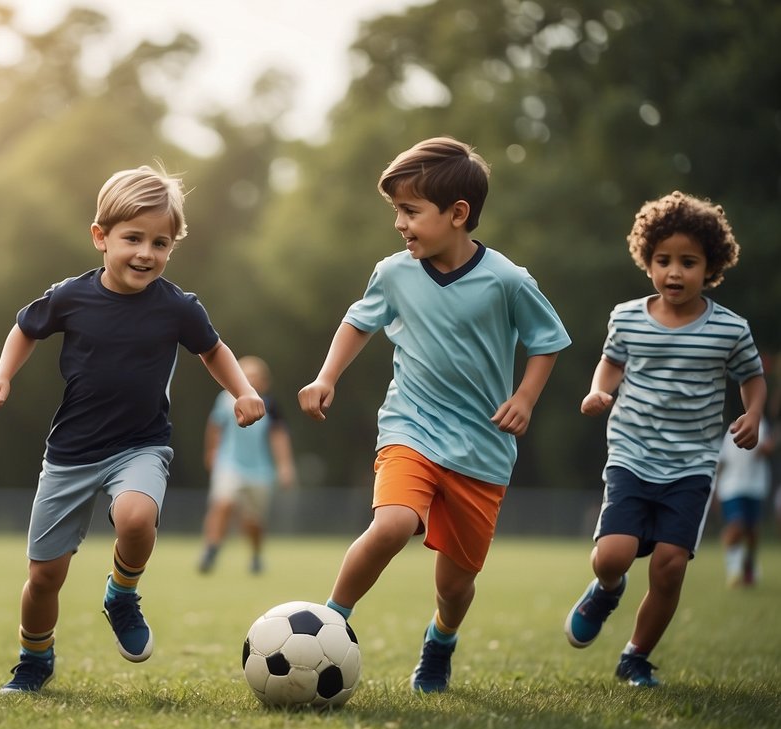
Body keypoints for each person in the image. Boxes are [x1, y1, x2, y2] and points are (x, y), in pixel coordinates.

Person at [0, 164, 265, 695]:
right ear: (100, 237)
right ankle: (34, 659)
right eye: (133, 238)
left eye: (161, 242)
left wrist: (242, 391)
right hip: (70, 453)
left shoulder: (177, 306)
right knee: (44, 578)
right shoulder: (70, 296)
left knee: (136, 517)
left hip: (141, 445)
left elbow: (212, 350)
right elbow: (24, 328)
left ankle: (122, 593)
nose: (146, 254)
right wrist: (1, 377)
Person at [297, 137, 571, 694]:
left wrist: (524, 398)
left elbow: (548, 342)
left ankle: (440, 639)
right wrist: (327, 376)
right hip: (411, 426)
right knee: (392, 523)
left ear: (458, 214)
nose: (399, 223)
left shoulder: (508, 280)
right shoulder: (394, 273)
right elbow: (358, 323)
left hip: (482, 448)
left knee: (454, 585)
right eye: (396, 210)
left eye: (410, 211)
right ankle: (330, 620)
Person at [564, 191, 766, 687]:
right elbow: (611, 362)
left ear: (711, 266)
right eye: (663, 261)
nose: (674, 273)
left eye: (688, 262)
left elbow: (753, 377)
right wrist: (598, 391)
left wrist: (754, 414)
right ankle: (606, 590)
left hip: (692, 465)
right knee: (611, 556)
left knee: (670, 567)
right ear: (647, 260)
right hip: (632, 453)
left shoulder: (729, 329)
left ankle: (636, 656)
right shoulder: (628, 317)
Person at [198, 355, 295, 575]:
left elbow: (278, 437)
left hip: (259, 470)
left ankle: (256, 555)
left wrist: (285, 465)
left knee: (254, 521)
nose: (250, 381)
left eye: (255, 377)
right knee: (222, 503)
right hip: (229, 463)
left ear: (264, 382)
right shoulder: (224, 400)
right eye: (246, 375)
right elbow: (215, 427)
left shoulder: (270, 405)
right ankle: (211, 550)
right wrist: (211, 452)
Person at [715, 417, 773, 587]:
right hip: (732, 487)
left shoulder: (764, 426)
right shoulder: (732, 428)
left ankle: (749, 564)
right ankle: (734, 570)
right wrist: (715, 487)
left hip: (755, 486)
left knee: (752, 532)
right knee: (736, 525)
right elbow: (723, 460)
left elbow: (766, 450)